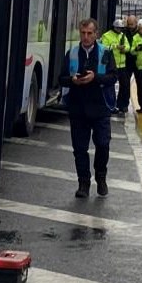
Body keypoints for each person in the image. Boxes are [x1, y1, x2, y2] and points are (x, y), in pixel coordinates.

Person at [59, 18, 117, 198]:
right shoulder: (73, 53)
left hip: (100, 108)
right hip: (78, 108)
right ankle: (83, 183)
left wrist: (96, 78)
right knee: (80, 149)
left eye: (89, 33)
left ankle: (101, 177)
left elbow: (113, 77)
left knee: (103, 144)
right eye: (83, 33)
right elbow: (61, 78)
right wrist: (73, 81)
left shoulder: (106, 53)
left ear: (96, 34)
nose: (86, 37)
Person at [100, 18, 131, 116]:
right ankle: (110, 105)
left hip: (122, 65)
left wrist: (124, 48)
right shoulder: (107, 35)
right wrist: (116, 46)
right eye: (118, 28)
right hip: (111, 65)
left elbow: (128, 47)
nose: (119, 30)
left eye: (121, 28)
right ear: (114, 27)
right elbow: (104, 47)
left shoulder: (123, 36)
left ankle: (122, 105)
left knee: (125, 85)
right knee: (109, 86)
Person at [123, 15, 140, 111]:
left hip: (138, 61)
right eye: (128, 24)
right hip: (127, 60)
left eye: (132, 24)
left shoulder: (140, 33)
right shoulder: (124, 32)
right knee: (125, 84)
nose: (130, 26)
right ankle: (124, 104)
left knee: (141, 84)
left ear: (136, 23)